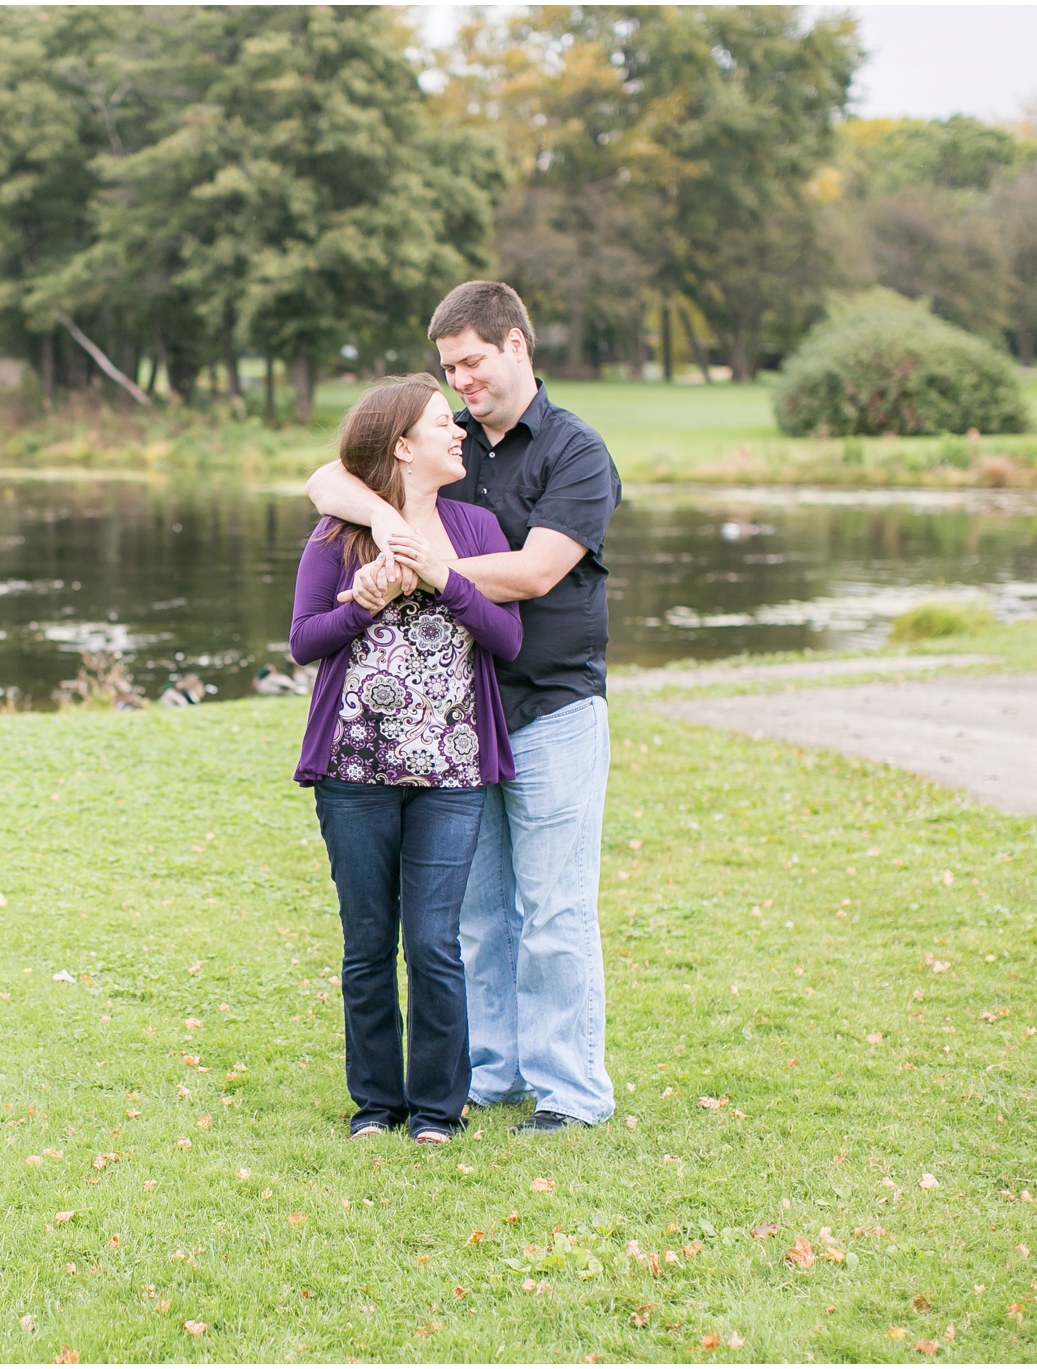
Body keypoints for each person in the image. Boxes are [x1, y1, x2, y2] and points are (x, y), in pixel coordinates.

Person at [306, 282, 621, 1134]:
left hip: (552, 706)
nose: (462, 381)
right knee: (477, 916)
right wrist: (387, 522)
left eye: (472, 362)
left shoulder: (576, 452)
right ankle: (493, 1073)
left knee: (553, 909)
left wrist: (414, 570)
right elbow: (324, 477)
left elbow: (534, 573)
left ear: (517, 345)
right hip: (460, 725)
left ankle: (570, 1091)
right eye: (449, 369)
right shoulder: (447, 438)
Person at [290, 374, 522, 1143]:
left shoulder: (476, 526)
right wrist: (362, 601)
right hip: (352, 774)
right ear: (401, 445)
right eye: (438, 423)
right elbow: (302, 642)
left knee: (432, 943)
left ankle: (435, 1111)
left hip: (451, 775)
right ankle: (375, 1107)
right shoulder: (338, 535)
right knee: (367, 945)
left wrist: (442, 580)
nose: (458, 430)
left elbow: (509, 638)